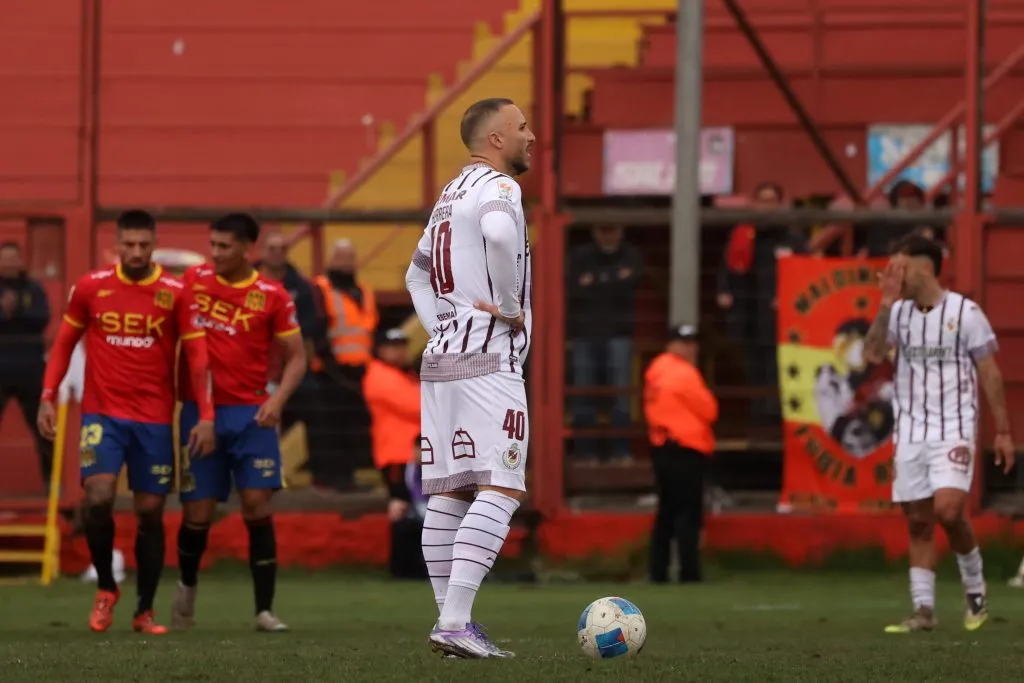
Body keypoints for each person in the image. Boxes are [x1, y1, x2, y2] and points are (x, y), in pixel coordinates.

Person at [35, 210, 216, 633]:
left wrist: (206, 415)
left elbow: (197, 356)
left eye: (143, 244)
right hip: (103, 414)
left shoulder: (175, 292)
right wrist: (48, 397)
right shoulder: (91, 287)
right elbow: (63, 345)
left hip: (154, 418)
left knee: (150, 512)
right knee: (97, 497)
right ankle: (105, 587)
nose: (136, 252)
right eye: (129, 245)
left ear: (154, 244)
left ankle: (144, 610)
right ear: (116, 245)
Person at [404, 97, 534, 659]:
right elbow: (503, 238)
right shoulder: (500, 188)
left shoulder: (447, 196)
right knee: (501, 484)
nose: (531, 135)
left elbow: (413, 275)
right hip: (489, 358)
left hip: (442, 359)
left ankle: (449, 622)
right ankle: (455, 622)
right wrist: (508, 306)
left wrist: (443, 326)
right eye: (523, 127)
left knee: (450, 491)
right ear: (497, 140)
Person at [863, 234, 1014, 633]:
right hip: (911, 430)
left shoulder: (966, 313)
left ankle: (974, 587)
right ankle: (924, 611)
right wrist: (884, 304)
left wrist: (1003, 431)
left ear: (925, 268)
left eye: (900, 266)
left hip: (954, 428)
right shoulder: (897, 314)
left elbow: (991, 373)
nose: (893, 275)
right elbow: (873, 355)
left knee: (948, 511)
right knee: (918, 521)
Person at [171, 213, 307, 633]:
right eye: (212, 245)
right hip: (201, 413)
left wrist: (278, 400)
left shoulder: (272, 295)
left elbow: (297, 357)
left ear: (247, 248)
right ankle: (186, 592)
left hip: (252, 415)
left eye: (224, 246)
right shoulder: (193, 281)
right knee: (198, 512)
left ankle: (264, 610)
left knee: (256, 505)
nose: (215, 253)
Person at [643, 324, 718, 583]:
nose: (691, 347)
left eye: (692, 342)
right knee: (688, 514)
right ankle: (689, 572)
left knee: (666, 512)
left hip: (662, 447)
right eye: (685, 342)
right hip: (685, 449)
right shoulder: (684, 373)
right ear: (672, 345)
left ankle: (658, 571)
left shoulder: (656, 370)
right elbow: (710, 409)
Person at [363, 327, 426, 579]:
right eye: (393, 346)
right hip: (397, 455)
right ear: (380, 349)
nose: (399, 351)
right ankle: (402, 567)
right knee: (402, 508)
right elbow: (419, 406)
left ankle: (410, 566)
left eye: (402, 345)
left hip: (412, 454)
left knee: (412, 509)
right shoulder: (380, 375)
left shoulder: (404, 375)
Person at [0, 241, 54, 485]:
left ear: (21, 261)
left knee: (43, 432)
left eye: (14, 258)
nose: (10, 263)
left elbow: (41, 317)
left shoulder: (33, 288)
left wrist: (16, 309)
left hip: (30, 369)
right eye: (5, 259)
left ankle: (53, 487)